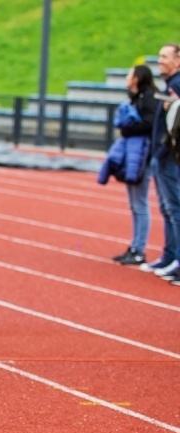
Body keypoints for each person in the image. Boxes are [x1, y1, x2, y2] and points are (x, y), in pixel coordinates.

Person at [99, 65, 158, 265]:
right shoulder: (137, 98)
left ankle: (139, 250)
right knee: (134, 204)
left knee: (140, 204)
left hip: (143, 157)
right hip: (135, 155)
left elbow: (150, 123)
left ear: (137, 78)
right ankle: (135, 246)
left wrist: (127, 129)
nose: (126, 77)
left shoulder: (149, 98)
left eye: (129, 74)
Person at [139, 43, 180, 284]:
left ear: (178, 60)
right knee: (168, 209)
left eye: (165, 57)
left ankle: (176, 260)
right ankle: (170, 256)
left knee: (175, 209)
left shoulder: (177, 85)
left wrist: (164, 150)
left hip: (169, 156)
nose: (160, 60)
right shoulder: (171, 84)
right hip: (163, 154)